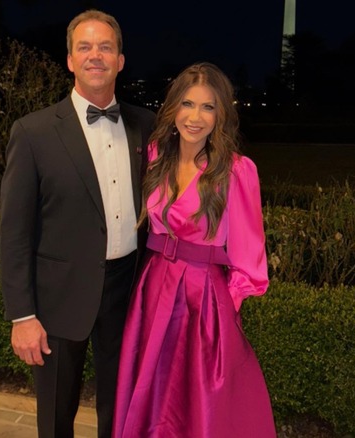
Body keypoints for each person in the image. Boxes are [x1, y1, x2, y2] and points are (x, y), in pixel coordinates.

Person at [0, 9, 156, 438]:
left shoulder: (147, 126)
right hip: (57, 298)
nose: (95, 56)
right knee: (55, 414)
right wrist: (22, 316)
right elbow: (13, 234)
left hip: (127, 289)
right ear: (69, 60)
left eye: (106, 47)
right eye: (84, 47)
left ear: (121, 60)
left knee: (121, 405)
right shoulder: (33, 133)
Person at [113, 62, 277, 437]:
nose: (196, 117)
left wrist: (221, 306)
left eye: (208, 107)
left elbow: (250, 257)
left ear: (221, 116)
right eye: (188, 104)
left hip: (203, 300)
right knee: (153, 391)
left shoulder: (236, 170)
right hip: (153, 290)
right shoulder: (154, 156)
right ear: (173, 109)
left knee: (200, 401)